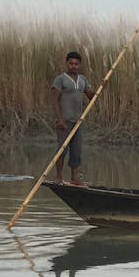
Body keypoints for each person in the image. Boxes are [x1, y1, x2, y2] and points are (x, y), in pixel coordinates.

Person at [51, 51, 95, 185]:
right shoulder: (61, 79)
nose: (73, 66)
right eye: (71, 63)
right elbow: (55, 101)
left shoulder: (82, 80)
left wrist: (101, 87)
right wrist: (59, 119)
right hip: (65, 121)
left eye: (76, 64)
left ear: (79, 65)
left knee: (76, 151)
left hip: (77, 122)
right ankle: (58, 177)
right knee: (62, 151)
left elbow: (91, 96)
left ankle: (75, 178)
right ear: (67, 64)